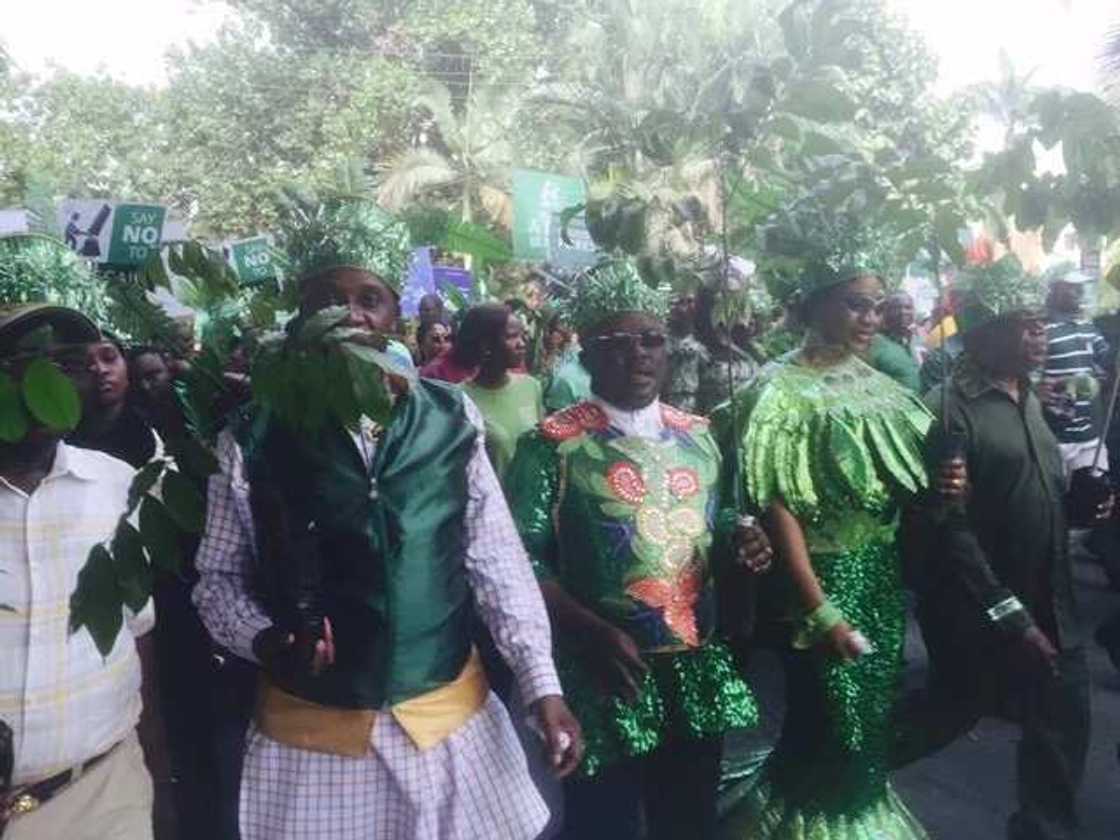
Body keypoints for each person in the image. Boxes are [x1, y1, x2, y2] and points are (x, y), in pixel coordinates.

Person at [192, 197, 583, 840]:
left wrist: (542, 684)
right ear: (300, 316)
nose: (350, 315)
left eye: (368, 299)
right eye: (328, 300)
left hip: (449, 730)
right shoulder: (252, 437)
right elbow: (219, 581)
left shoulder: (450, 419)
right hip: (314, 747)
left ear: (394, 313)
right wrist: (265, 641)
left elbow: (497, 562)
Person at [506, 258, 766, 840]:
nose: (638, 354)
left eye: (650, 340)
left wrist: (741, 537)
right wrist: (587, 630)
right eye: (617, 344)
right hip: (603, 671)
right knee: (605, 822)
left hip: (694, 669)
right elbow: (521, 557)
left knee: (690, 819)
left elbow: (715, 519)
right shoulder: (551, 446)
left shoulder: (699, 436)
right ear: (587, 354)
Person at [721, 245, 933, 838]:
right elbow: (778, 507)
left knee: (869, 725)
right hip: (822, 582)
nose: (871, 319)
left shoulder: (879, 384)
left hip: (880, 579)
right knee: (835, 726)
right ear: (815, 306)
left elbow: (902, 487)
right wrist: (819, 609)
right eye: (855, 305)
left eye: (877, 306)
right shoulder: (778, 388)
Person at [895, 256, 1095, 840]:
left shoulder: (1030, 396)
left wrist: (1081, 501)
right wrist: (1009, 614)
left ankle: (1044, 830)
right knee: (950, 711)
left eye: (1040, 324)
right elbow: (948, 528)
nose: (1040, 336)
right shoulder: (947, 409)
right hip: (982, 606)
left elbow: (1033, 492)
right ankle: (836, 776)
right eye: (1025, 325)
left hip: (1053, 597)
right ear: (985, 333)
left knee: (1064, 721)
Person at [0, 301, 162, 840]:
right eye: (27, 363)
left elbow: (136, 629)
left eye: (68, 364)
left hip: (100, 794)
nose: (52, 380)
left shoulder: (117, 485)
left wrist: (154, 758)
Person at [1038, 265, 1111, 477]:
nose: (1079, 292)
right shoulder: (1041, 329)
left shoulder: (1087, 326)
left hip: (1091, 437)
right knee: (1057, 495)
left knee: (1094, 492)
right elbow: (1030, 380)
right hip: (1055, 438)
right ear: (1056, 289)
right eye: (1072, 286)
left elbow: (1107, 360)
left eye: (1081, 287)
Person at [460, 304, 543, 481]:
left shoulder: (532, 387)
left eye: (522, 335)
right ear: (486, 344)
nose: (521, 344)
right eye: (511, 337)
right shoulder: (460, 399)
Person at [66, 337, 159, 469]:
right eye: (82, 362)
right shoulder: (54, 440)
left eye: (109, 358)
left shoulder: (155, 434)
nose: (101, 369)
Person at [663, 292, 709, 413]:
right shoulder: (661, 339)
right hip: (667, 400)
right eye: (681, 302)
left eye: (690, 302)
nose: (687, 307)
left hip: (693, 401)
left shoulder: (703, 337)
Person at [868, 291, 922, 391]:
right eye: (896, 308)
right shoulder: (873, 342)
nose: (903, 312)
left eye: (908, 307)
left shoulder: (915, 341)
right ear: (886, 312)